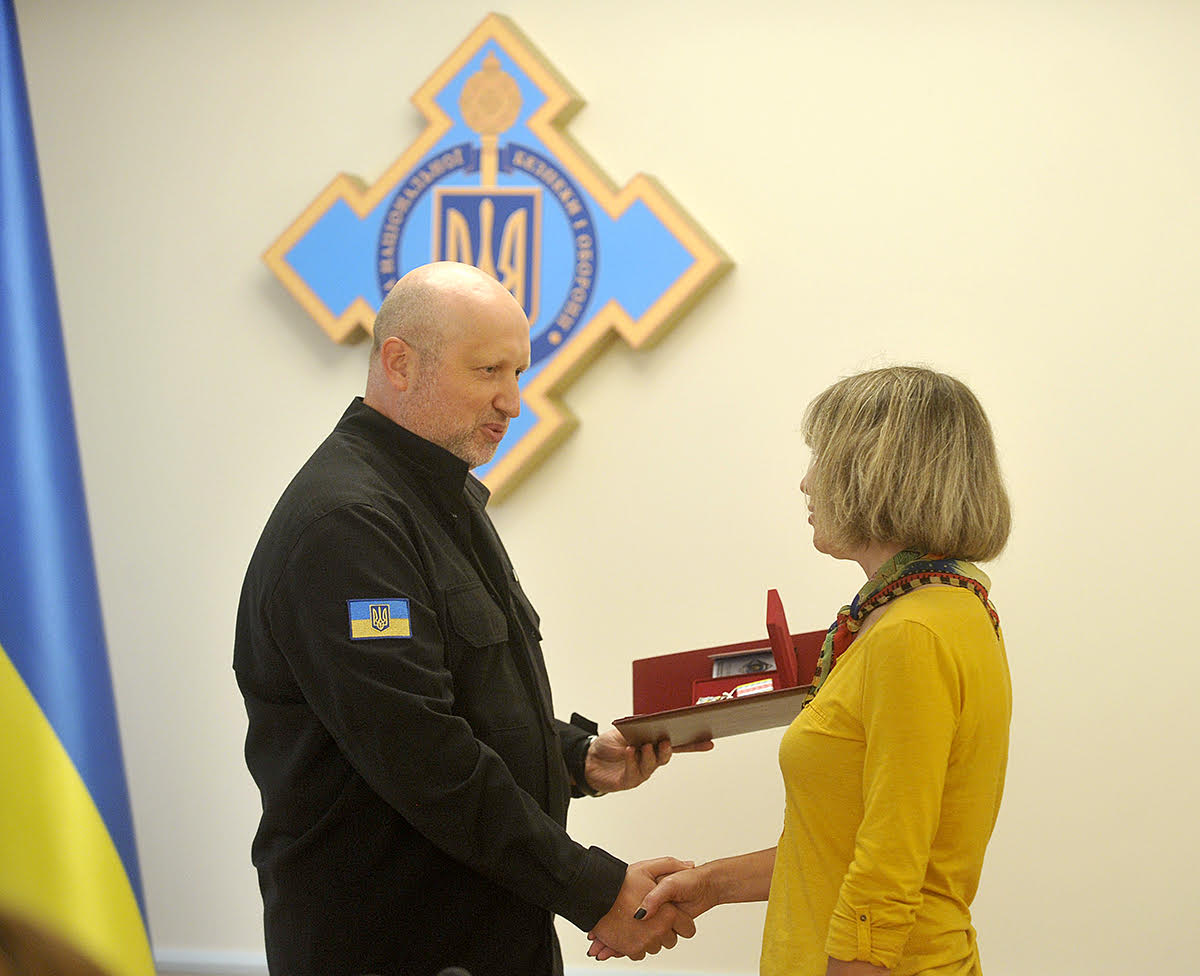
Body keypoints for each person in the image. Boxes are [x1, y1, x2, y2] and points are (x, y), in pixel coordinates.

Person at [234, 261, 707, 976]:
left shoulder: (436, 494)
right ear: (400, 362)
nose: (512, 401)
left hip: (489, 932)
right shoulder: (348, 523)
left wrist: (573, 756)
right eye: (488, 370)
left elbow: (460, 699)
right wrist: (594, 888)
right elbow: (419, 750)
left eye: (517, 373)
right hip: (391, 944)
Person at [603, 366, 1012, 976]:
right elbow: (841, 845)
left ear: (872, 471)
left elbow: (889, 868)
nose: (805, 481)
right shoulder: (933, 610)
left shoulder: (912, 634)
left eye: (821, 457)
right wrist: (712, 883)